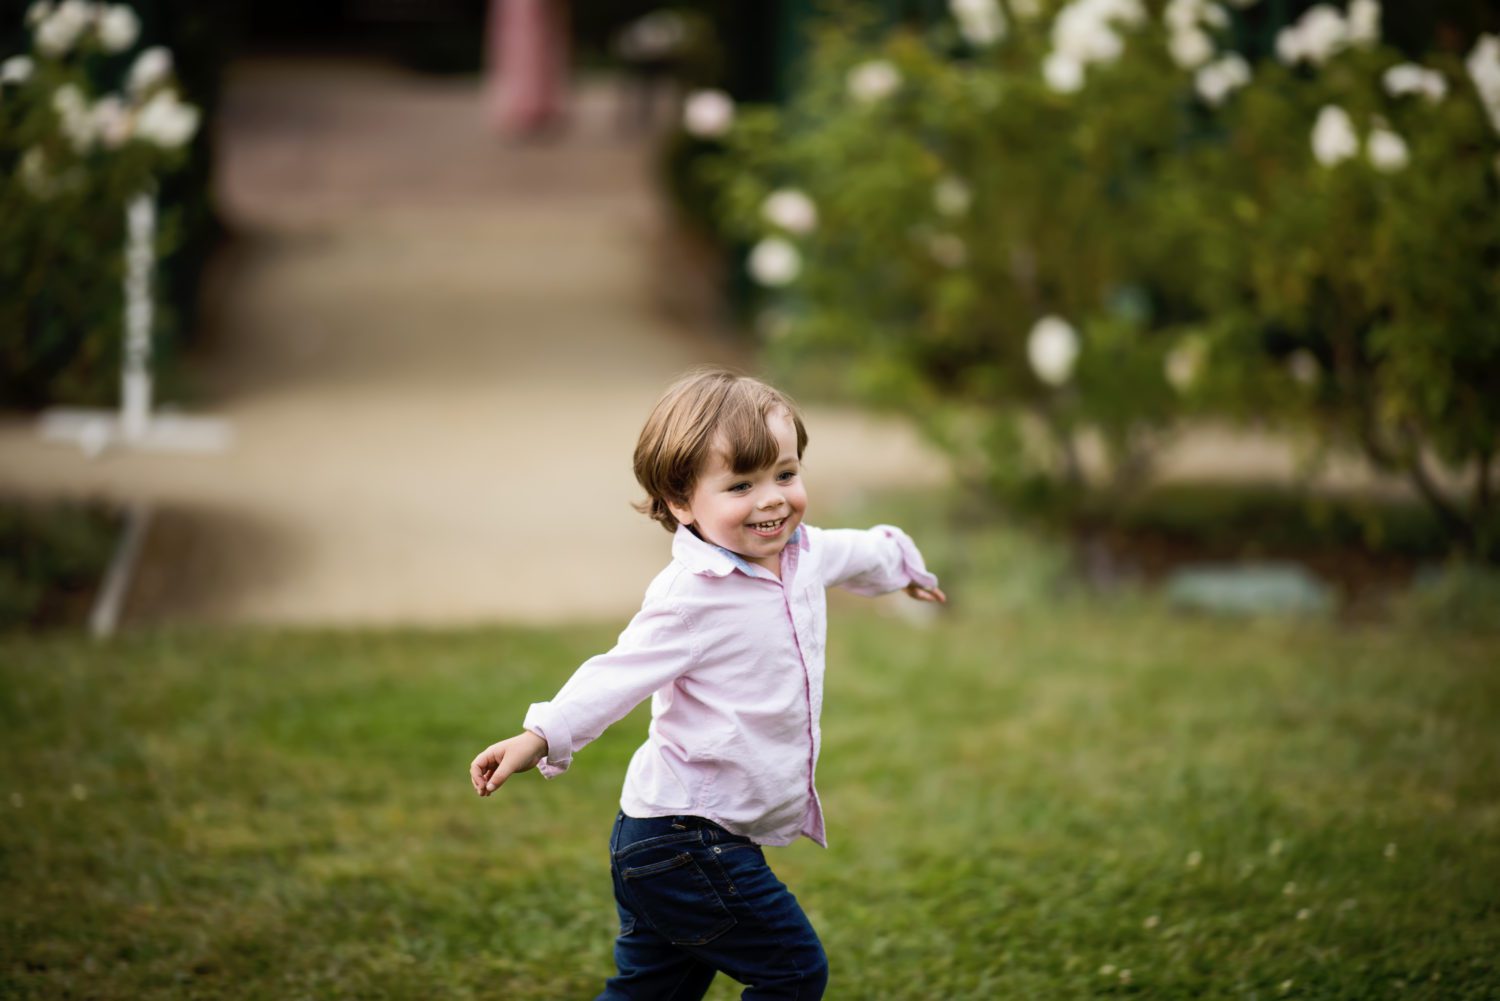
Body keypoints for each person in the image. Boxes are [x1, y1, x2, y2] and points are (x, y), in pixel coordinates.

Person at [468, 368, 946, 1000]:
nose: (772, 499)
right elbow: (618, 673)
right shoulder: (691, 597)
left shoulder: (800, 553)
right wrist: (540, 735)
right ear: (681, 502)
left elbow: (857, 553)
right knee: (794, 971)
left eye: (785, 473)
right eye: (740, 485)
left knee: (653, 994)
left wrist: (902, 567)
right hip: (685, 840)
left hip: (669, 844)